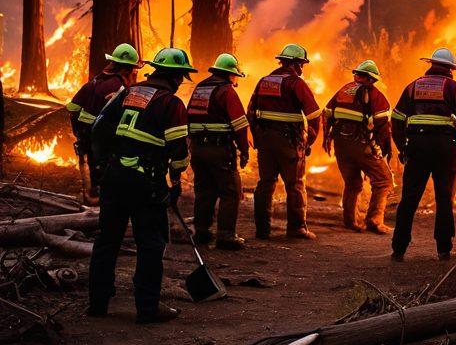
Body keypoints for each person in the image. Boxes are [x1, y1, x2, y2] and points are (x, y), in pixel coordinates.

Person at [87, 47, 194, 324]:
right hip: (145, 182)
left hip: (114, 176)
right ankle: (147, 309)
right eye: (182, 76)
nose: (182, 81)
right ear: (175, 76)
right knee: (150, 244)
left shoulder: (128, 92)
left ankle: (97, 304)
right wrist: (176, 180)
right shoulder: (171, 104)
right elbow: (179, 150)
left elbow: (99, 128)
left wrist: (101, 166)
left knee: (107, 240)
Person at [390, 47, 456, 261]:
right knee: (444, 198)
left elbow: (397, 119)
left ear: (431, 66)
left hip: (416, 146)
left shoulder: (413, 86)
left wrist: (403, 148)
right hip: (444, 148)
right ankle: (443, 248)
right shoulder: (455, 89)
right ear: (450, 69)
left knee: (408, 198)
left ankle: (398, 247)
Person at [247, 44, 321, 240]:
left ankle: (262, 230)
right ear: (296, 64)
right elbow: (314, 114)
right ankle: (296, 229)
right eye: (301, 65)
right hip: (289, 143)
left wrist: (258, 137)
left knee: (265, 183)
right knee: (295, 185)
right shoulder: (296, 83)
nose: (302, 69)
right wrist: (308, 140)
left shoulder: (264, 81)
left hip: (265, 142)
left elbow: (251, 111)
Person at [322, 59, 393, 234]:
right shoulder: (375, 95)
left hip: (341, 145)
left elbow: (327, 114)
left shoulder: (343, 90)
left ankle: (351, 221)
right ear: (369, 78)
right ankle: (374, 221)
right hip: (362, 146)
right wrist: (385, 149)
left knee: (352, 183)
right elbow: (383, 126)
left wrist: (327, 139)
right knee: (384, 180)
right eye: (373, 80)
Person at [187, 53, 250, 249]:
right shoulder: (227, 91)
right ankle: (226, 236)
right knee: (231, 191)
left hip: (198, 148)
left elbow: (188, 117)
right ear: (230, 74)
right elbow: (240, 124)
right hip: (219, 149)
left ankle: (202, 232)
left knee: (204, 191)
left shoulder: (200, 89)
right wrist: (244, 150)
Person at [66, 44, 142, 199]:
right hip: (103, 139)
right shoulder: (119, 87)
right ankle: (102, 208)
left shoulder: (93, 82)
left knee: (94, 172)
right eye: (133, 69)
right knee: (107, 176)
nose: (134, 73)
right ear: (125, 69)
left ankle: (93, 200)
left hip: (86, 135)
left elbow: (72, 107)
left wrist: (78, 130)